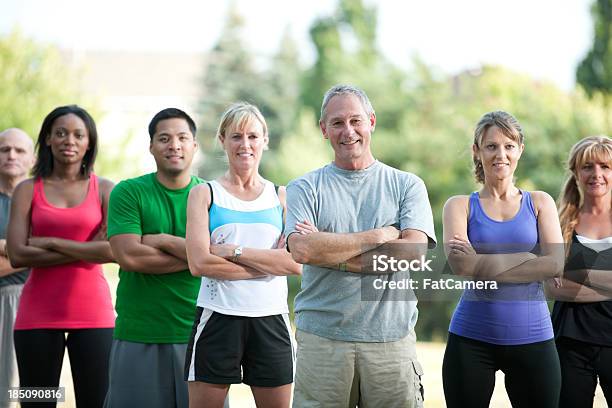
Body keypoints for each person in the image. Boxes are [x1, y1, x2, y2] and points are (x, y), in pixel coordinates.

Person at [285, 84, 436, 408]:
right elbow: (301, 250)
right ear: (324, 129)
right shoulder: (305, 188)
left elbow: (412, 253)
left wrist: (328, 251)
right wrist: (377, 236)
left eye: (356, 121)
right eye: (337, 123)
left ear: (371, 121)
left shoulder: (406, 185)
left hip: (390, 342)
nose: (348, 131)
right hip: (321, 341)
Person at [442, 110, 564, 408]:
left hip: (533, 339)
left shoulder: (540, 202)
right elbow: (461, 266)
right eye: (491, 146)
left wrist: (483, 263)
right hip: (471, 340)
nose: (501, 154)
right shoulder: (459, 206)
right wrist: (528, 258)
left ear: (520, 149)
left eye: (509, 146)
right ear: (477, 151)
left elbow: (556, 264)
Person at [184, 102, 301, 408]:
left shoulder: (282, 196)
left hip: (271, 321)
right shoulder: (204, 194)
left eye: (253, 136)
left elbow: (295, 263)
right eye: (236, 136)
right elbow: (199, 263)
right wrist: (268, 264)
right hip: (217, 319)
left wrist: (232, 252)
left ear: (265, 140)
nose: (245, 144)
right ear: (222, 140)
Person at [7, 106, 115, 408]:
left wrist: (50, 242)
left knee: (96, 401)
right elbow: (17, 254)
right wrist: (86, 249)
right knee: (35, 402)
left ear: (89, 142)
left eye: (78, 134)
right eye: (61, 133)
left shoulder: (106, 189)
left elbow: (111, 250)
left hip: (94, 313)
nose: (70, 140)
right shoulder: (27, 189)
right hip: (36, 313)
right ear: (48, 140)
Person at [105, 108, 208, 408]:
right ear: (151, 146)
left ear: (194, 146)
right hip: (140, 332)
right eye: (164, 138)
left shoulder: (210, 195)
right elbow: (129, 256)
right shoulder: (129, 192)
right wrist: (196, 256)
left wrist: (161, 240)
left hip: (200, 333)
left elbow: (220, 258)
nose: (173, 145)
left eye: (182, 138)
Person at [547, 135, 612, 407]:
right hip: (570, 342)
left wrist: (575, 279)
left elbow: (564, 282)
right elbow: (551, 286)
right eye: (587, 166)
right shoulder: (558, 221)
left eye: (605, 166)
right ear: (575, 172)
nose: (596, 174)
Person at [0, 128, 34, 408]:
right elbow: (52, 251)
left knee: (38, 387)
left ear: (33, 158)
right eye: (4, 149)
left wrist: (7, 248)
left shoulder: (44, 201)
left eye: (20, 150)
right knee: (3, 389)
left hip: (38, 302)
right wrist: (29, 251)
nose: (12, 155)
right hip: (4, 298)